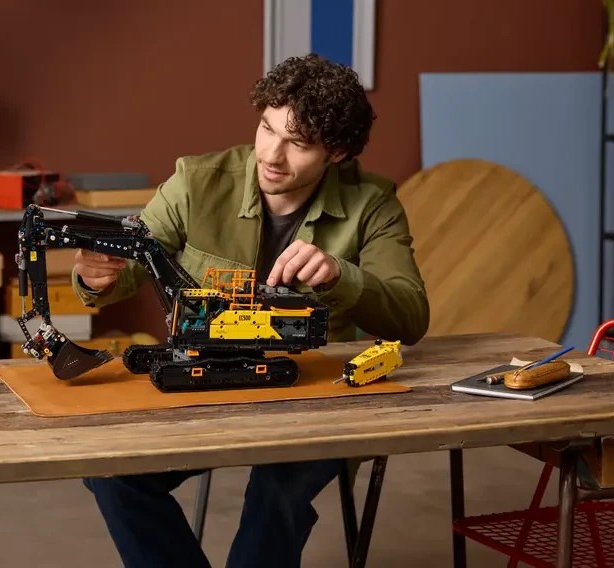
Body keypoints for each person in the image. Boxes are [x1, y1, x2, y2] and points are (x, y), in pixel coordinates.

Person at [71, 53, 429, 568]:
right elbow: (125, 269)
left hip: (312, 397)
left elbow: (411, 318)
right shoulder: (195, 182)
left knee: (278, 489)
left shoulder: (373, 203)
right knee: (110, 472)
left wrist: (339, 273)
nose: (273, 155)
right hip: (204, 380)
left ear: (338, 152)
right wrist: (92, 275)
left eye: (299, 143)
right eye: (266, 128)